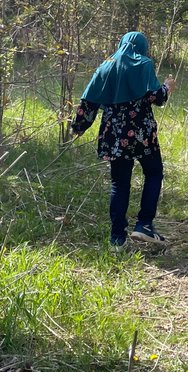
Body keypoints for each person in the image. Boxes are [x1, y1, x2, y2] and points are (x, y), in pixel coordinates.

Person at [71, 31, 176, 251]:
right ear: (142, 47)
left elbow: (89, 101)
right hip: (142, 134)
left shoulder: (106, 67)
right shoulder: (144, 64)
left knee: (119, 183)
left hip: (114, 136)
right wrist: (168, 86)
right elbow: (157, 98)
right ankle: (144, 224)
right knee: (154, 173)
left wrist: (79, 126)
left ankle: (117, 239)